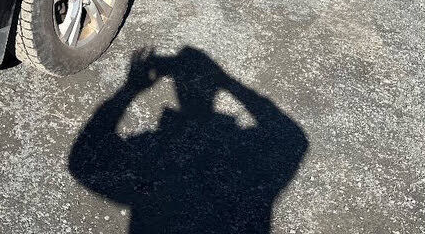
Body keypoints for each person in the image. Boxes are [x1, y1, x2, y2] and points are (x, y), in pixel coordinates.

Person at [69, 47, 309, 233]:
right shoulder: (238, 156)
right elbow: (295, 140)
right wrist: (226, 81)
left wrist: (129, 91)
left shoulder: (152, 165)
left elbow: (81, 163)